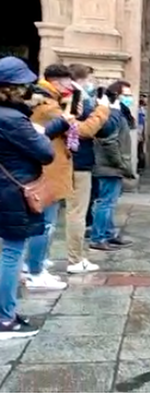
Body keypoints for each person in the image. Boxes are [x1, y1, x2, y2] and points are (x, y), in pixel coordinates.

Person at [0, 57, 57, 338]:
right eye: (23, 86)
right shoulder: (12, 119)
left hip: (5, 187)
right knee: (11, 254)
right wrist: (42, 134)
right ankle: (4, 318)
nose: (28, 90)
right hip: (13, 192)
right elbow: (46, 153)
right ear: (9, 88)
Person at [26, 63, 79, 291]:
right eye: (68, 83)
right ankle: (35, 271)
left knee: (45, 223)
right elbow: (73, 125)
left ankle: (35, 266)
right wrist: (78, 104)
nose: (71, 87)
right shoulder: (47, 104)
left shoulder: (47, 99)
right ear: (57, 82)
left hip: (50, 167)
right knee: (44, 224)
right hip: (49, 169)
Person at [66, 64, 114, 273]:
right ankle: (75, 259)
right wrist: (102, 109)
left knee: (52, 215)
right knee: (77, 212)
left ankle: (36, 262)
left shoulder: (70, 95)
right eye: (90, 79)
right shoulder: (76, 96)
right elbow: (83, 130)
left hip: (69, 159)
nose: (92, 84)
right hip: (77, 160)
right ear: (84, 78)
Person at [90, 80, 135, 251]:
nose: (129, 98)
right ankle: (98, 237)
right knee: (105, 202)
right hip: (108, 165)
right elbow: (109, 142)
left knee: (109, 202)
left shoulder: (118, 113)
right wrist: (121, 163)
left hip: (109, 165)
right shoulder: (112, 113)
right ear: (116, 95)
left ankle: (108, 234)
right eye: (126, 95)